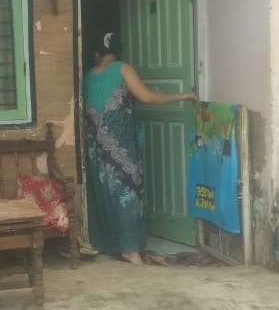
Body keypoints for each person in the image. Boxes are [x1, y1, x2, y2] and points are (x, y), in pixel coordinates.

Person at [83, 31, 197, 265]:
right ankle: (130, 249)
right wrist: (181, 95)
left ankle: (110, 244)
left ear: (96, 53)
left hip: (96, 146)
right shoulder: (122, 68)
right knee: (127, 192)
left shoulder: (88, 76)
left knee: (105, 193)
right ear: (117, 51)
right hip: (120, 145)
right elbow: (146, 97)